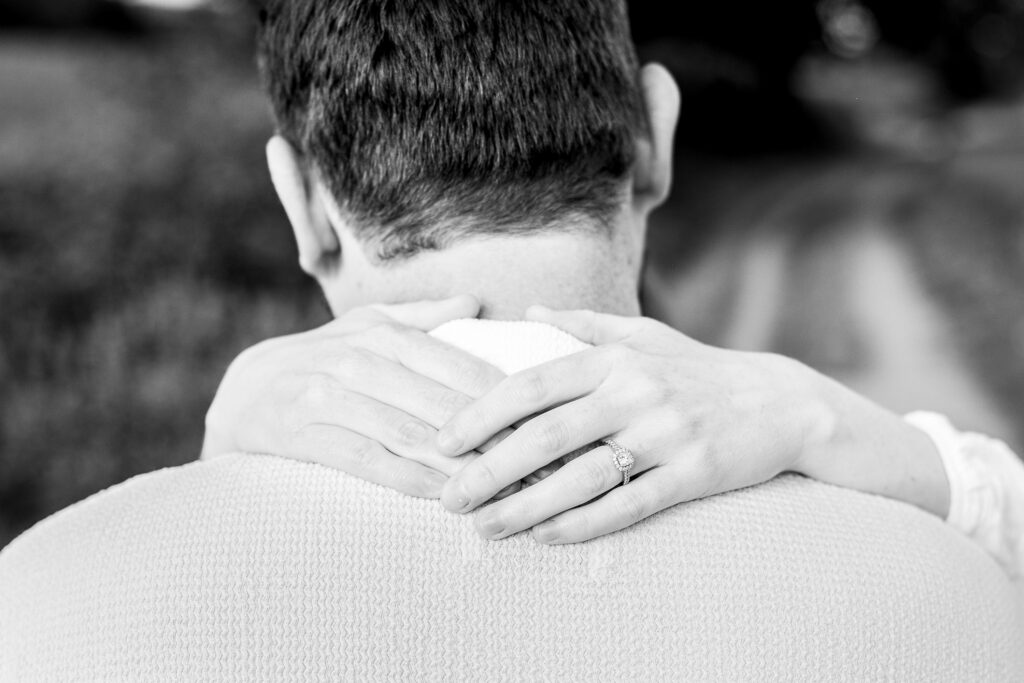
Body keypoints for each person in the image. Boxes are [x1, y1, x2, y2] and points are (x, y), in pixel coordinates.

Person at [1, 1, 1021, 679]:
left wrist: (200, 471)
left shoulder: (40, 606)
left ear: (301, 200)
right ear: (654, 141)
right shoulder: (953, 596)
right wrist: (904, 455)